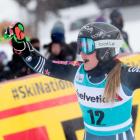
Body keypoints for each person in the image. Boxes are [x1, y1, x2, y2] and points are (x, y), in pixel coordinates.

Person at [6, 22, 138, 140]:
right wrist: (23, 47)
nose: (81, 53)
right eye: (80, 45)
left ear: (104, 50)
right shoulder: (77, 72)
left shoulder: (125, 75)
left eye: (86, 46)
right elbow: (46, 66)